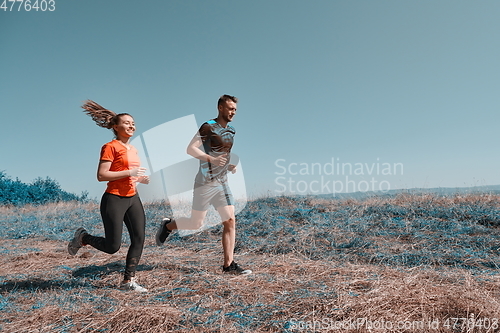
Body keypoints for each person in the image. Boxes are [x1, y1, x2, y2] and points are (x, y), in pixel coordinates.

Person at [155, 94, 251, 275]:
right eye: (230, 109)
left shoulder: (232, 131)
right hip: (205, 182)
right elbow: (190, 148)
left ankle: (228, 266)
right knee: (195, 223)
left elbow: (222, 152)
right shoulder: (208, 126)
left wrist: (228, 165)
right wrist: (211, 159)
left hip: (222, 182)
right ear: (220, 108)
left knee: (230, 220)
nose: (233, 112)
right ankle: (168, 225)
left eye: (235, 110)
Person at [68, 100, 150, 292]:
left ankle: (128, 281)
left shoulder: (134, 149)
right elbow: (102, 175)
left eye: (133, 123)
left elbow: (130, 173)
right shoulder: (110, 147)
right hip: (113, 199)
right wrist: (130, 173)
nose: (132, 125)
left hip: (133, 198)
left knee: (139, 239)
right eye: (127, 122)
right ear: (115, 126)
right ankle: (83, 238)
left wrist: (140, 179)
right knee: (113, 246)